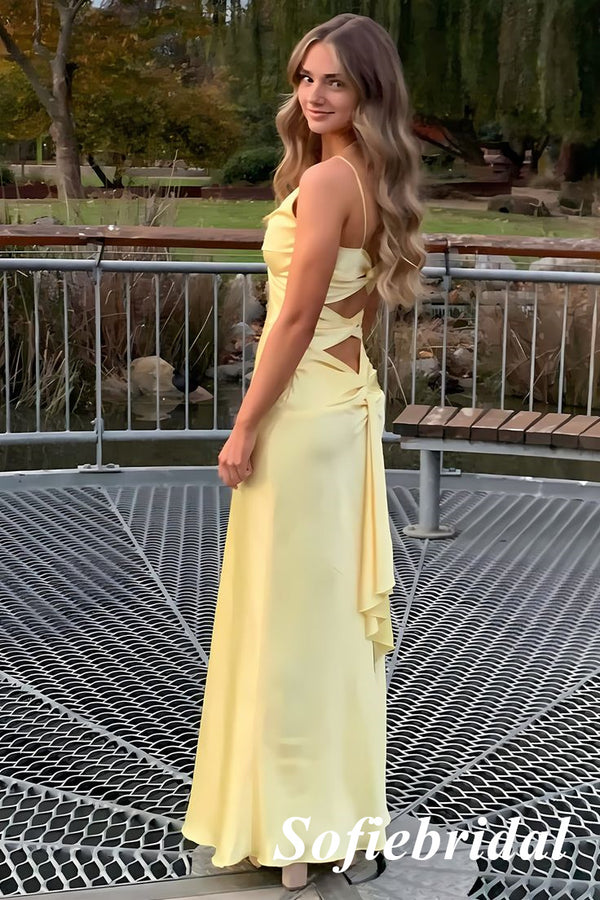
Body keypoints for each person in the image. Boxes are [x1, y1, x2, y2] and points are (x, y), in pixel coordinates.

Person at [181, 12, 425, 891]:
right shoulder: (370, 176)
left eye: (335, 81)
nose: (315, 95)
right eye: (306, 78)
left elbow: (292, 319)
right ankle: (321, 818)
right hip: (344, 407)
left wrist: (245, 424)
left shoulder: (327, 183)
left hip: (303, 415)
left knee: (285, 625)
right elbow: (352, 315)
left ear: (368, 92)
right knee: (320, 623)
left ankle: (289, 831)